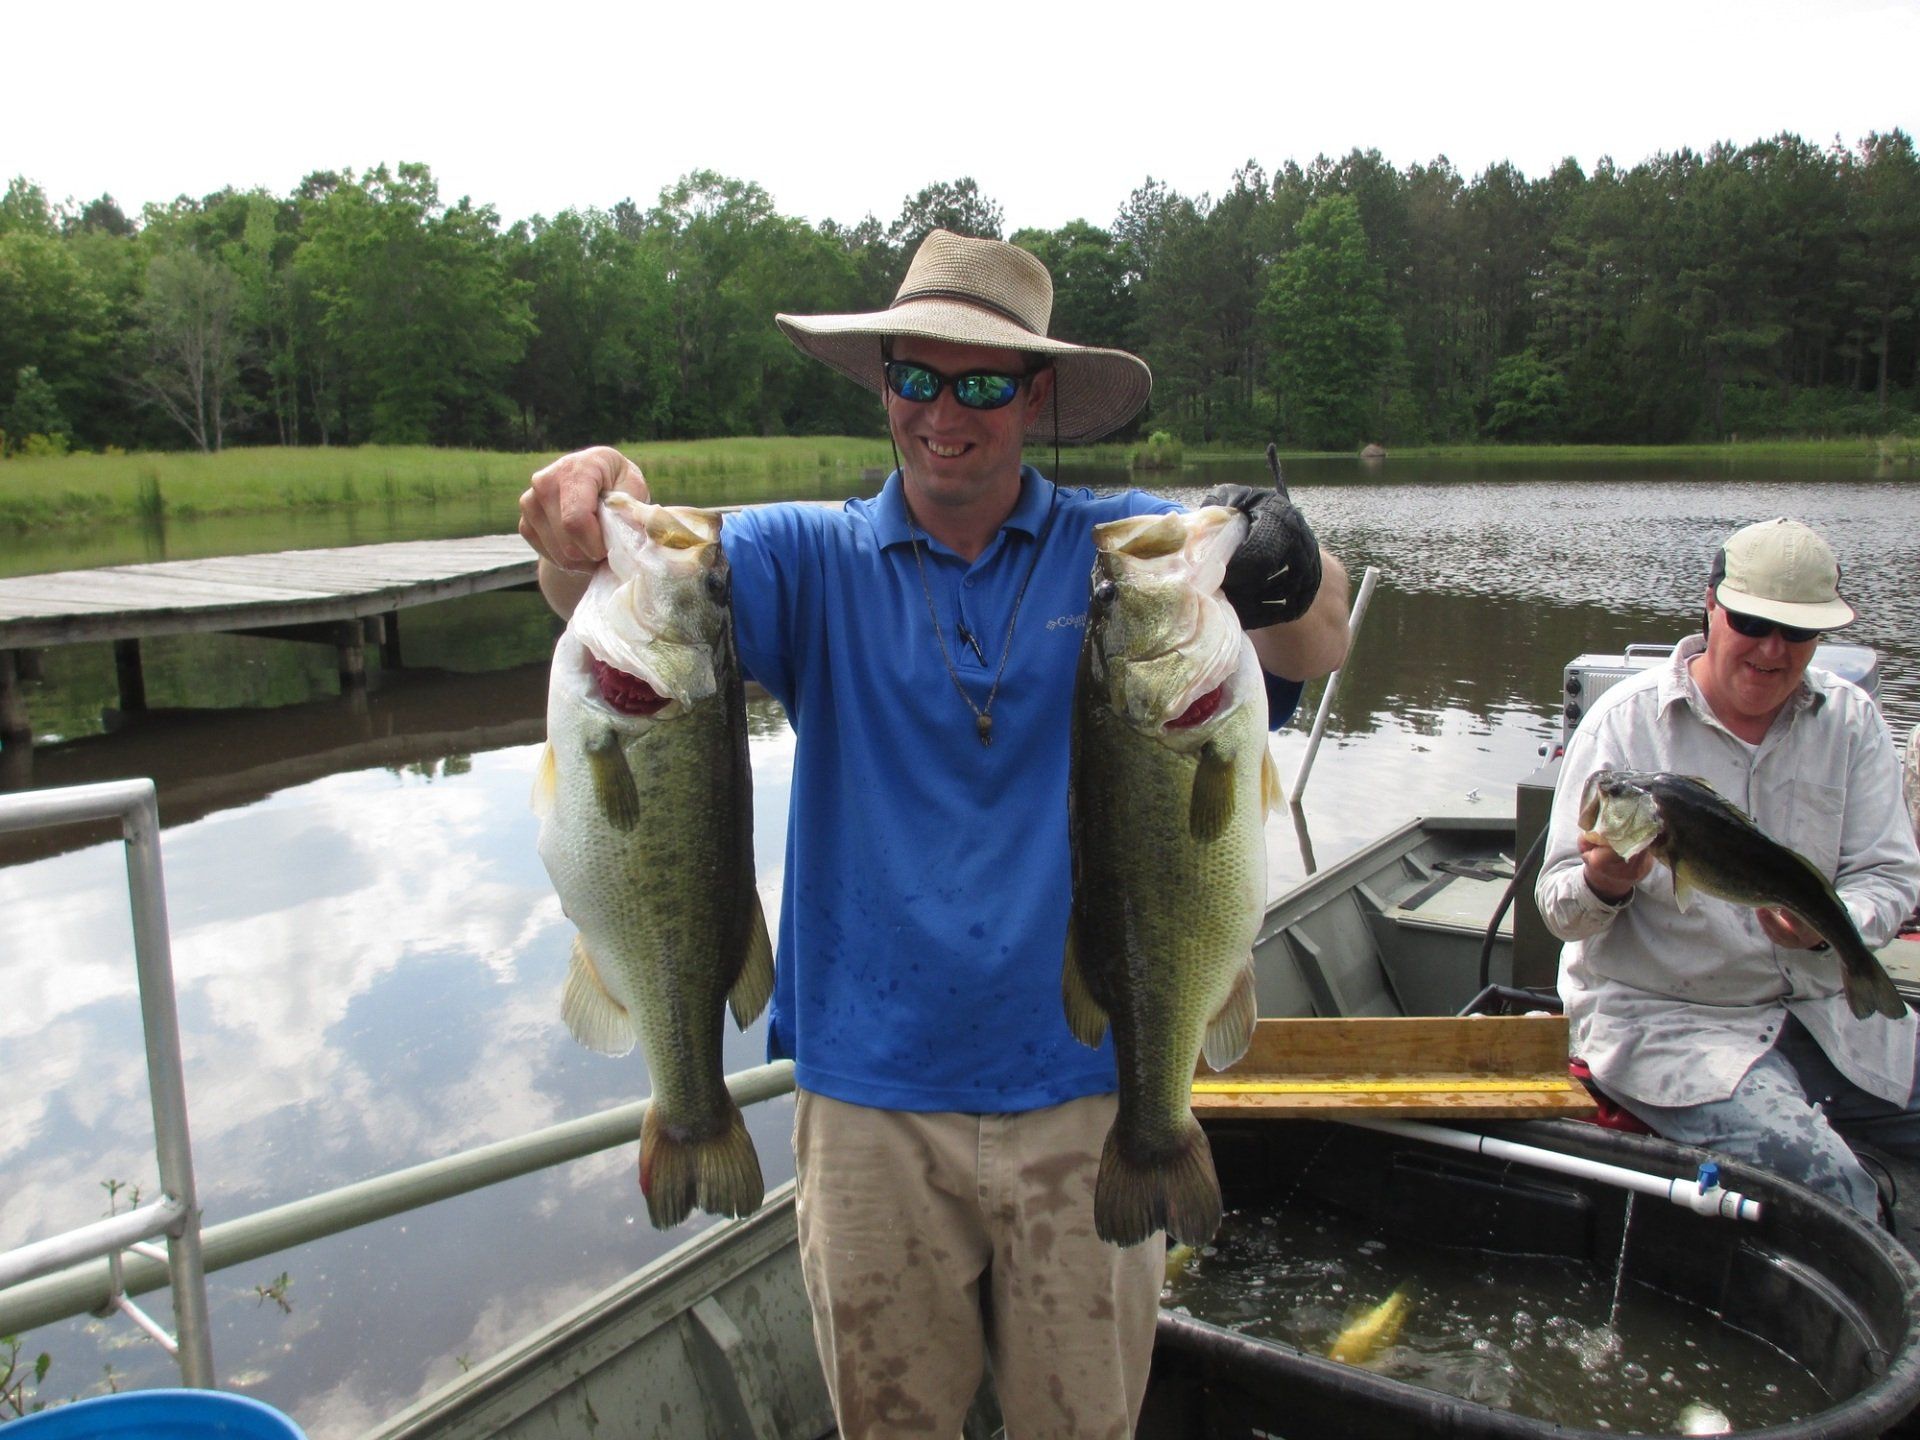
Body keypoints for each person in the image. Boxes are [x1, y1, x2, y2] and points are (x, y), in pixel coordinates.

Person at [518, 229, 1351, 1438]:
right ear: (884, 389)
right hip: (868, 1106)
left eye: (982, 383)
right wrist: (589, 498)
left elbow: (1318, 639)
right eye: (917, 378)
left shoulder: (1131, 557)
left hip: (1087, 1097)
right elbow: (622, 589)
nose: (944, 412)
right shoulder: (810, 557)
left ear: (1037, 394)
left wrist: (1283, 556)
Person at [1536, 517, 1920, 1221]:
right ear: (1710, 605)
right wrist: (1606, 883)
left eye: (1797, 634)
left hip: (1825, 1011)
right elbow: (1558, 909)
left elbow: (1889, 878)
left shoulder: (1853, 722)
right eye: (1750, 621)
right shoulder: (1624, 725)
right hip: (1668, 1026)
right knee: (1833, 1192)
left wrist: (1829, 930)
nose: (1773, 650)